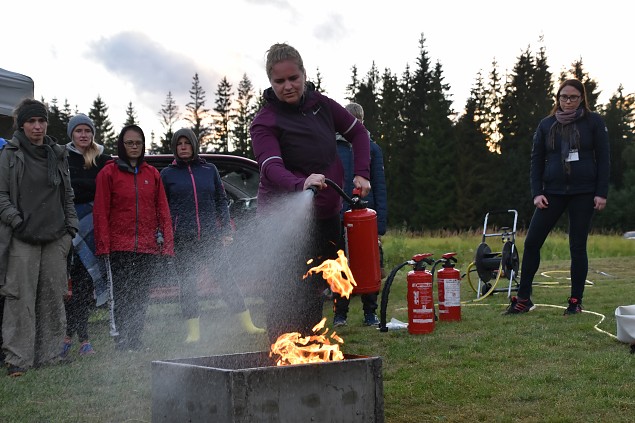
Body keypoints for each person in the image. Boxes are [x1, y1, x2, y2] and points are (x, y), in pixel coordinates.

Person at [250, 42, 371, 343]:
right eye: (279, 81)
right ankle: (280, 352)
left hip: (326, 215)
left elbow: (359, 133)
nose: (288, 86)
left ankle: (309, 350)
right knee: (287, 289)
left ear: (304, 74)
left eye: (294, 78)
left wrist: (362, 172)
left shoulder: (322, 105)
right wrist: (299, 183)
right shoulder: (264, 122)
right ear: (270, 82)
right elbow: (270, 165)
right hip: (282, 220)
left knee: (314, 286)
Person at [505, 79, 610, 315]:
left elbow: (604, 159)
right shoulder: (546, 125)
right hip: (551, 192)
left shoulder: (594, 122)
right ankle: (523, 299)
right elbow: (536, 160)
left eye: (573, 97)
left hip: (584, 192)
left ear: (582, 98)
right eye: (563, 97)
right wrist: (537, 192)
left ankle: (575, 301)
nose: (568, 101)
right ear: (558, 99)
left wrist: (601, 193)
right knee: (532, 242)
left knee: (577, 246)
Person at [160, 128, 264, 343]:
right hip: (183, 239)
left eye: (186, 143)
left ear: (194, 145)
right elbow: (162, 209)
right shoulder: (167, 175)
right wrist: (165, 235)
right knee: (188, 285)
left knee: (226, 280)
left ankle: (248, 325)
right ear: (174, 148)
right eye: (179, 144)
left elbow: (221, 202)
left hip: (210, 237)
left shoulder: (210, 170)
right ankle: (193, 333)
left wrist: (225, 230)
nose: (183, 147)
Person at [0, 99, 78, 377]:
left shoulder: (56, 153)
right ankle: (18, 359)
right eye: (32, 121)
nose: (37, 126)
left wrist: (71, 230)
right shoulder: (9, 154)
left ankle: (51, 354)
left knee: (52, 299)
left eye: (41, 121)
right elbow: (1, 196)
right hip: (22, 237)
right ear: (21, 124)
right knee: (20, 299)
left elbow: (67, 195)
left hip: (56, 237)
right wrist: (16, 221)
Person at [93, 124, 174, 351]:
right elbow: (101, 212)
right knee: (121, 294)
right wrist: (103, 245)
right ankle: (121, 339)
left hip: (147, 247)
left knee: (140, 294)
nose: (134, 146)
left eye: (138, 142)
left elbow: (163, 211)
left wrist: (166, 245)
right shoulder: (108, 173)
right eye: (129, 143)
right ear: (122, 145)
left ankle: (135, 338)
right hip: (119, 246)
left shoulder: (152, 174)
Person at [60, 114, 112, 358]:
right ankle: (67, 335)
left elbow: (109, 189)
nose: (83, 135)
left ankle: (83, 339)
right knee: (67, 287)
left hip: (94, 230)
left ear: (93, 133)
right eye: (78, 131)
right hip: (67, 229)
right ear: (71, 134)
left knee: (84, 285)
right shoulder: (61, 156)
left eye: (87, 131)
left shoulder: (103, 159)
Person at [332, 102, 387, 327]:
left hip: (367, 218)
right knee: (340, 264)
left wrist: (379, 225)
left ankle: (370, 312)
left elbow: (380, 187)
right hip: (340, 216)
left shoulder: (372, 149)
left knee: (369, 263)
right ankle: (340, 313)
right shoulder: (332, 149)